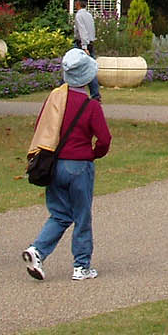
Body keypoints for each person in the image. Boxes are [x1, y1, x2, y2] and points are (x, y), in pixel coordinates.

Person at [22, 48, 112, 282]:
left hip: (54, 165)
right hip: (79, 165)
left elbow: (42, 128)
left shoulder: (55, 100)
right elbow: (104, 139)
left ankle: (38, 250)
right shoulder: (91, 106)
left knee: (60, 214)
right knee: (82, 216)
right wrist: (94, 154)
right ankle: (81, 265)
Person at [71, 0, 101, 100]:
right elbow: (91, 31)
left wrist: (84, 47)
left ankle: (64, 89)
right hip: (90, 43)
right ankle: (95, 94)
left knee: (70, 66)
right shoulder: (89, 15)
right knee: (90, 70)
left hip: (82, 45)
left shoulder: (79, 15)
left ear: (78, 2)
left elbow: (83, 31)